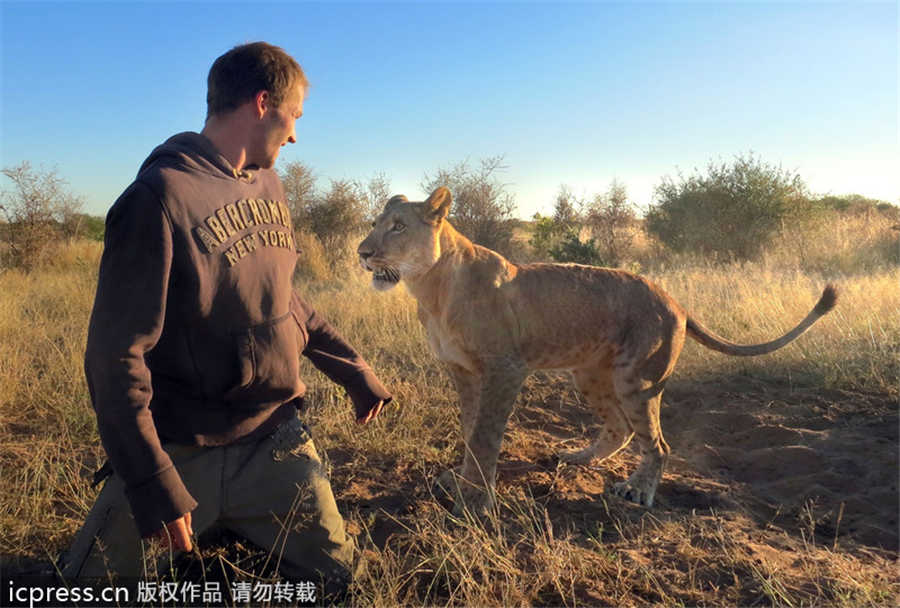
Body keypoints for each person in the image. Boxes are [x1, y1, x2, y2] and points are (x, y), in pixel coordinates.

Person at [61, 42, 391, 594]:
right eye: (295, 117)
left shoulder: (268, 183)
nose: (295, 136)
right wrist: (152, 482)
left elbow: (281, 296)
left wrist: (351, 368)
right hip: (181, 445)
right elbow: (116, 356)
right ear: (263, 102)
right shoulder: (159, 198)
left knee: (340, 583)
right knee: (84, 592)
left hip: (272, 438)